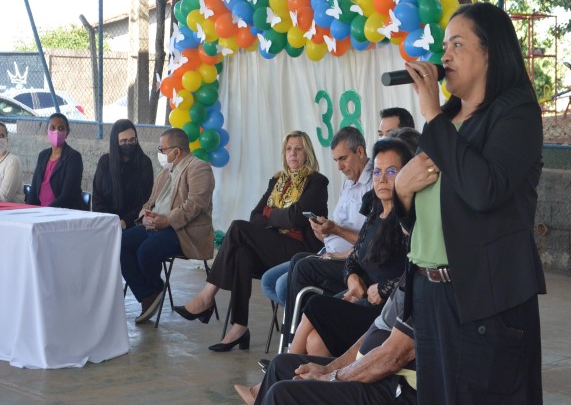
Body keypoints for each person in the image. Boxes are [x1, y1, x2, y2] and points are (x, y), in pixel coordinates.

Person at [394, 2, 546, 404]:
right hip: (430, 296)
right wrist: (402, 193)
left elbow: (484, 191)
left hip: (484, 300)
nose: (444, 56)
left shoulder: (517, 115)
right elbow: (421, 220)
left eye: (457, 45)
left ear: (490, 52)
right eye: (444, 46)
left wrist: (429, 112)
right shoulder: (445, 120)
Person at [174, 130, 329, 352]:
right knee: (241, 254)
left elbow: (296, 217)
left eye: (298, 148)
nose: (292, 153)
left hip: (298, 252)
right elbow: (255, 216)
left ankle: (207, 296)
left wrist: (270, 214)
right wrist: (276, 215)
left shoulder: (316, 182)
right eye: (288, 149)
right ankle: (239, 327)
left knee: (237, 227)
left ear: (307, 153)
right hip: (272, 246)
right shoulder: (277, 180)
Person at [288, 138, 414, 357]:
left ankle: (280, 374)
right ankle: (303, 386)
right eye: (376, 172)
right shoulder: (375, 212)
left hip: (385, 311)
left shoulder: (408, 221)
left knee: (316, 304)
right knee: (315, 340)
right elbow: (353, 259)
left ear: (406, 175)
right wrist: (351, 278)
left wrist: (383, 288)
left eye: (392, 172)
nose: (382, 179)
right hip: (363, 299)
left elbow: (416, 271)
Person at [234, 278, 416, 405]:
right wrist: (329, 369)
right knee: (281, 364)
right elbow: (374, 332)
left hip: (400, 387)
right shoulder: (411, 274)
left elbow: (394, 355)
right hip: (378, 371)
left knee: (283, 394)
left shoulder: (431, 285)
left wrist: (331, 377)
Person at [261, 126, 372, 309]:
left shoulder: (373, 183)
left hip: (348, 260)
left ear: (360, 151)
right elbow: (257, 215)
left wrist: (335, 230)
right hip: (326, 252)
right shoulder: (349, 179)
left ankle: (309, 321)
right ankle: (306, 318)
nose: (339, 167)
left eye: (343, 159)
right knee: (269, 280)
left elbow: (370, 240)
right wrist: (324, 232)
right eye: (336, 160)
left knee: (284, 285)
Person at [120, 127, 214, 324]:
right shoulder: (165, 173)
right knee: (119, 243)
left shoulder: (200, 168)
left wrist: (167, 220)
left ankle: (153, 289)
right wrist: (144, 217)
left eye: (162, 149)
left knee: (146, 251)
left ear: (176, 151)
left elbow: (195, 204)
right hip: (155, 226)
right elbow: (149, 203)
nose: (160, 154)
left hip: (182, 230)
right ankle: (148, 294)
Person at [93, 119, 154, 230]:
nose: (129, 144)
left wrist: (126, 222)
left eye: (132, 140)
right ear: (115, 142)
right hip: (106, 223)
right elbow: (98, 198)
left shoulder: (144, 163)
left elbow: (146, 200)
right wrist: (111, 221)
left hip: (134, 224)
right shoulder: (105, 162)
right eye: (124, 141)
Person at [26, 113, 86, 210]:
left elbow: (66, 195)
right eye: (52, 128)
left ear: (67, 133)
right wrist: (27, 211)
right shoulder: (43, 155)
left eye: (61, 128)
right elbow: (34, 191)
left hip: (64, 212)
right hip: (41, 212)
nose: (56, 131)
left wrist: (45, 212)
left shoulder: (74, 157)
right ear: (47, 132)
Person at [0, 122, 23, 203]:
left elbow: (5, 197)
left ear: (7, 140)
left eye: (2, 136)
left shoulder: (12, 161)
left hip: (11, 211)